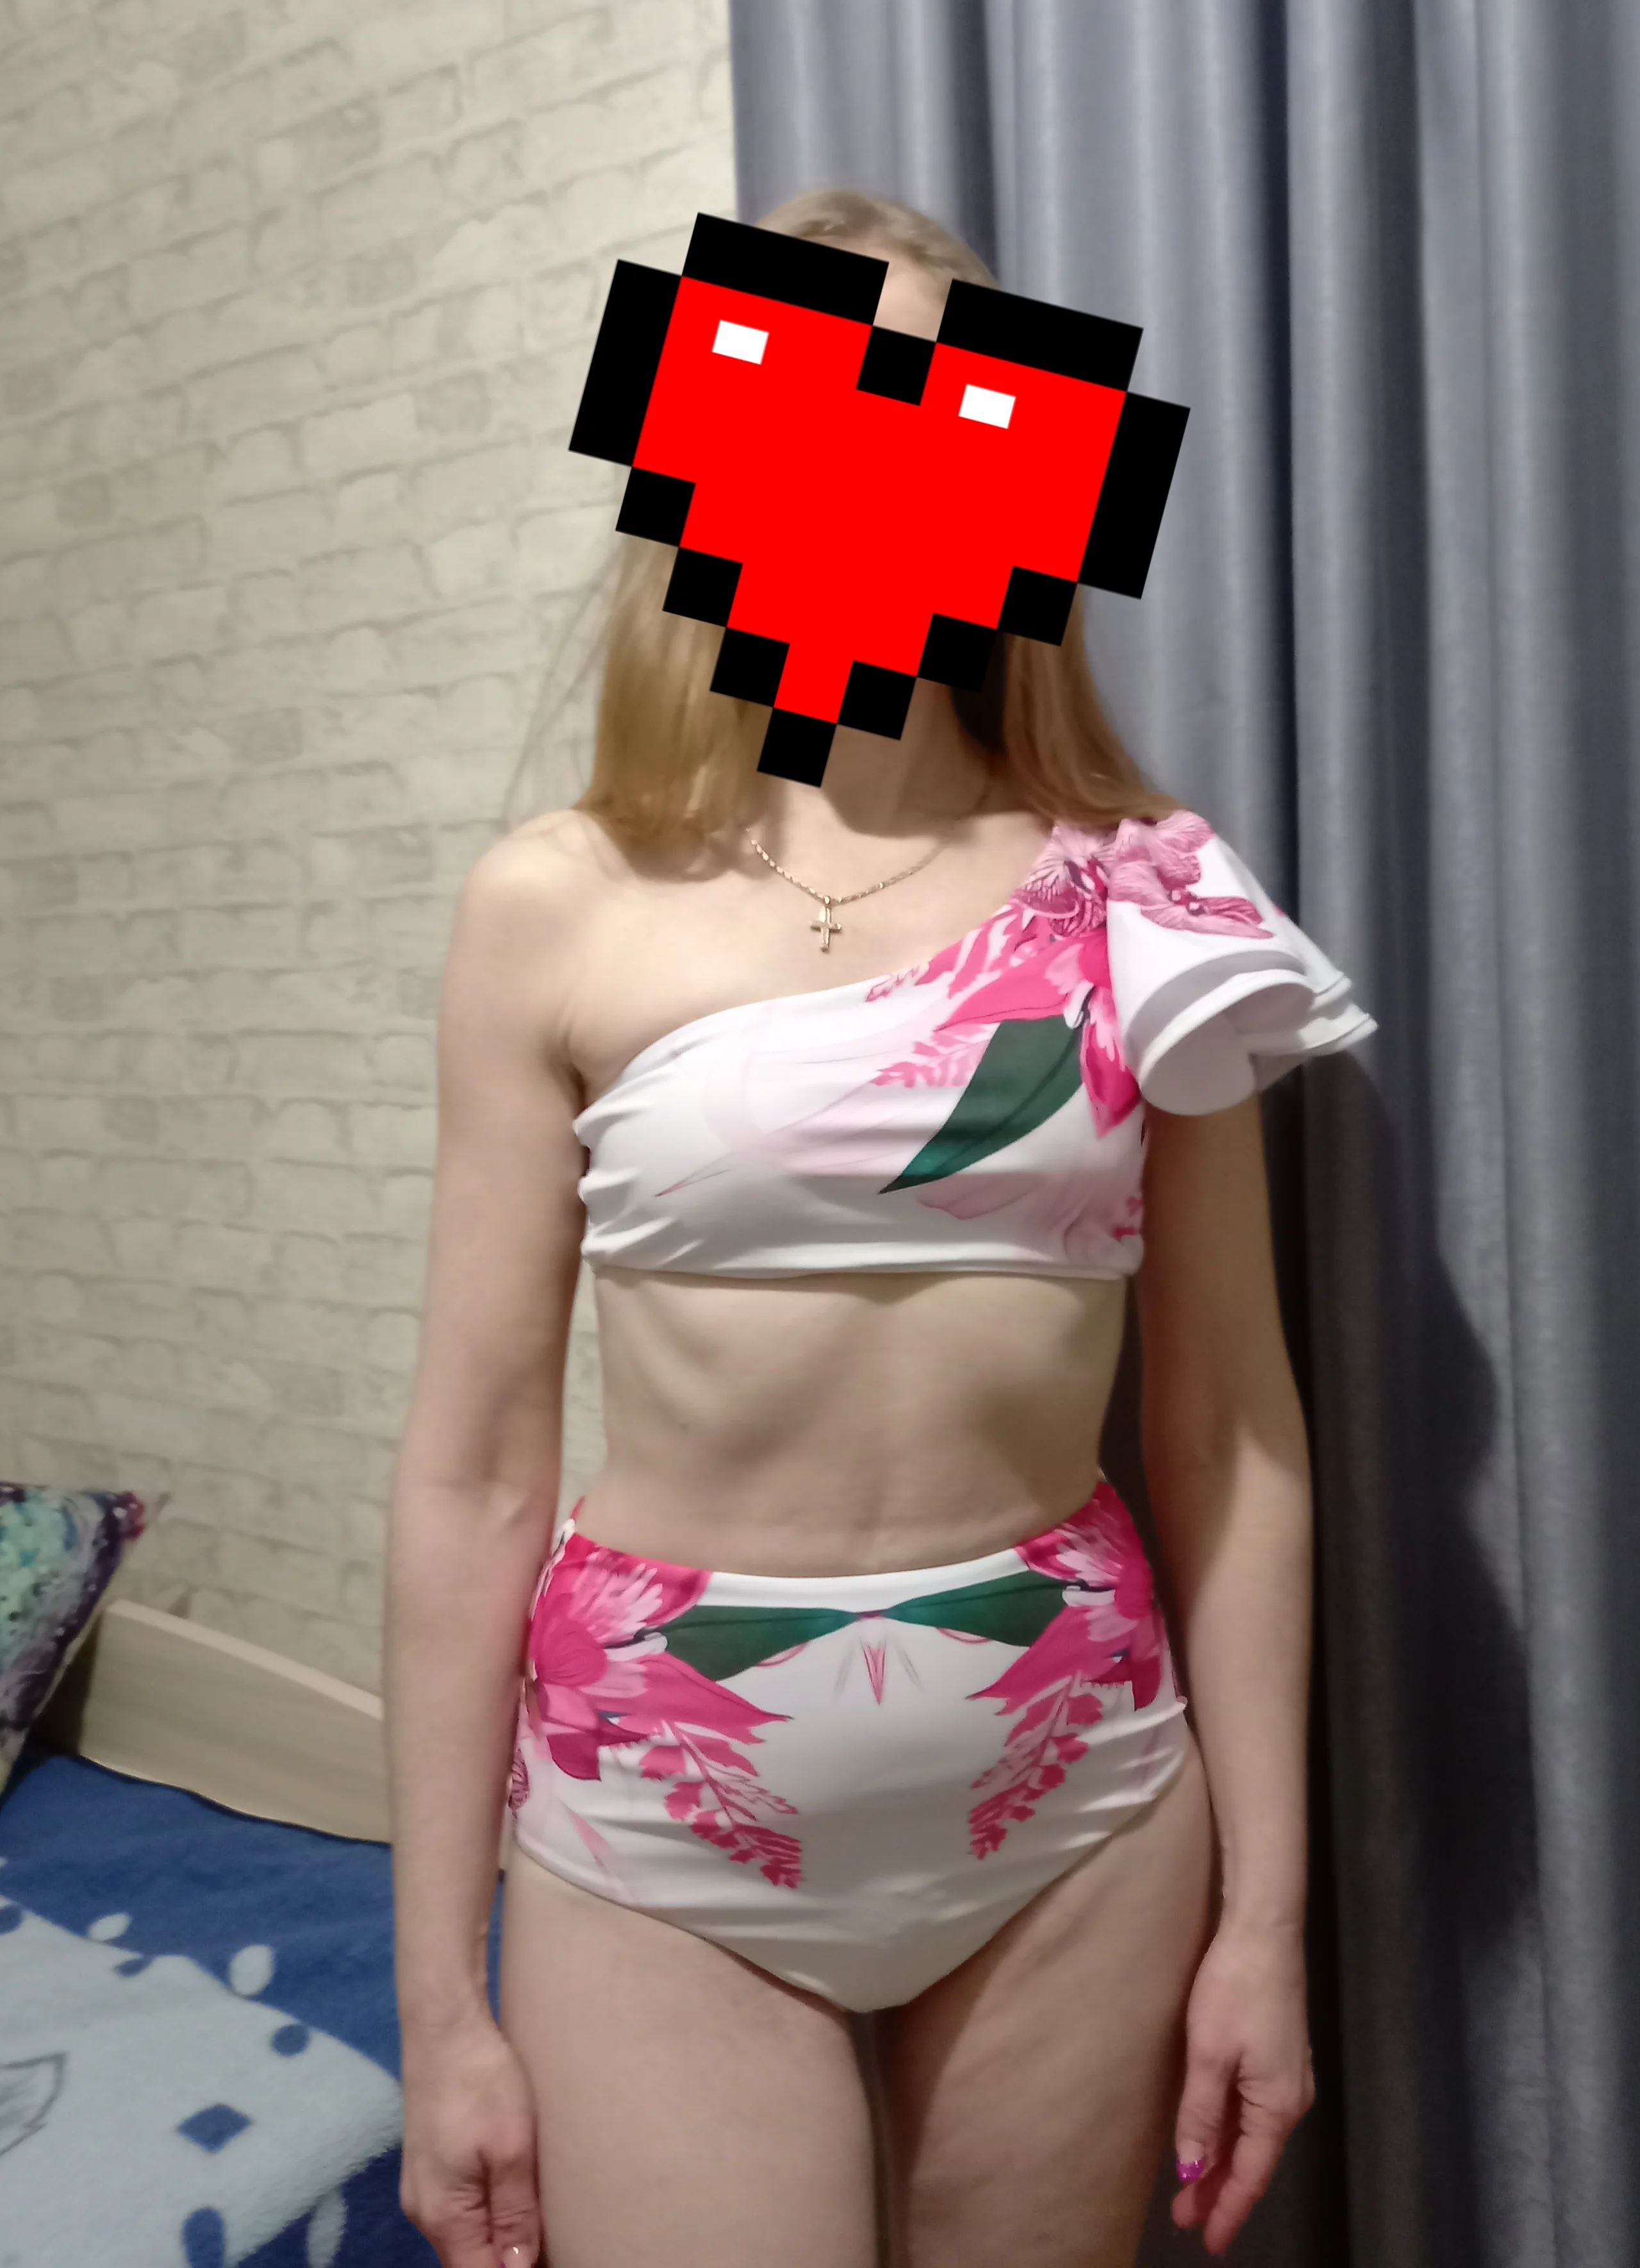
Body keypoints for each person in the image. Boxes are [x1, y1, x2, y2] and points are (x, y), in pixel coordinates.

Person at [385, 189, 1377, 2268]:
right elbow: (473, 1472)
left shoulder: (1147, 885)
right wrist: (438, 2007)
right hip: (661, 1809)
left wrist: (1267, 1928)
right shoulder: (551, 905)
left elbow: (1229, 1431)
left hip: (1076, 1790)